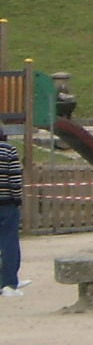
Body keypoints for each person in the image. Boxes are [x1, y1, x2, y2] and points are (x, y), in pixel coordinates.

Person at [0, 126, 24, 296]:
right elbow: (15, 179)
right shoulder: (8, 151)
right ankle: (9, 282)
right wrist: (17, 199)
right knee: (9, 243)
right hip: (6, 203)